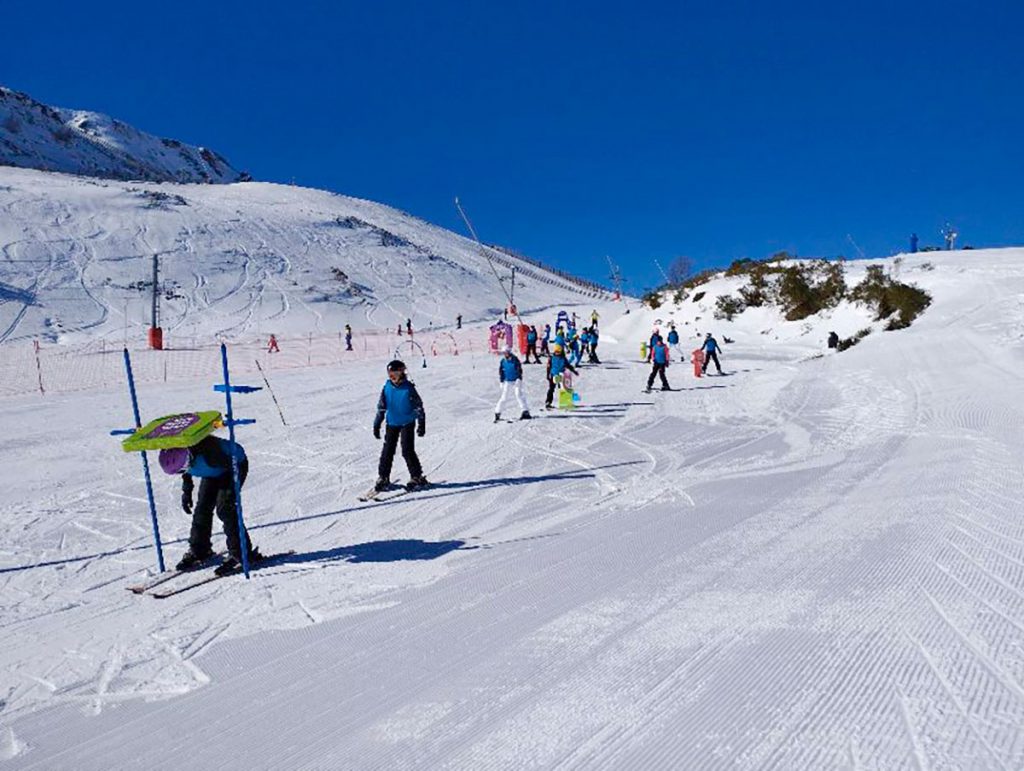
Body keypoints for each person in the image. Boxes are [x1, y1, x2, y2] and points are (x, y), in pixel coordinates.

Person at [158, 437, 262, 576]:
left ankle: (241, 554)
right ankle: (200, 550)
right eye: (179, 470)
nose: (183, 471)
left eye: (184, 467)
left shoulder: (210, 455)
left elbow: (232, 469)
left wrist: (228, 494)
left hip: (232, 465)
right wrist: (186, 491)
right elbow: (186, 473)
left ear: (188, 456)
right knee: (202, 509)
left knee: (225, 509)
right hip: (212, 470)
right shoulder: (184, 457)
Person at [373, 360, 428, 492]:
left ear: (402, 373)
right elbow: (381, 407)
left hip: (407, 422)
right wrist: (377, 424)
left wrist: (421, 424)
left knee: (407, 450)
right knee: (388, 450)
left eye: (395, 374)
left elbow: (418, 407)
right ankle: (383, 477)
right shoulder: (387, 387)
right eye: (390, 374)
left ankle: (417, 476)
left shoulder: (408, 388)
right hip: (392, 422)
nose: (392, 377)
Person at [495, 345, 532, 422]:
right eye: (504, 353)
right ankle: (498, 412)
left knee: (518, 394)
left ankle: (525, 411)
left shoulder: (515, 360)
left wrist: (519, 378)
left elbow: (519, 370)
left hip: (516, 380)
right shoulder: (503, 361)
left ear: (509, 352)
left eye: (506, 352)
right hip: (508, 381)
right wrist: (502, 381)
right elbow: (501, 372)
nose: (505, 354)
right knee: (504, 397)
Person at [545, 343, 579, 409]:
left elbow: (568, 366)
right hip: (553, 375)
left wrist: (574, 371)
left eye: (559, 352)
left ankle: (565, 402)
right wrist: (548, 375)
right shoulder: (551, 358)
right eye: (556, 352)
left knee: (564, 388)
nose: (557, 353)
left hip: (562, 375)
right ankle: (548, 402)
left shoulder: (563, 358)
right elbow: (548, 367)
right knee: (551, 389)